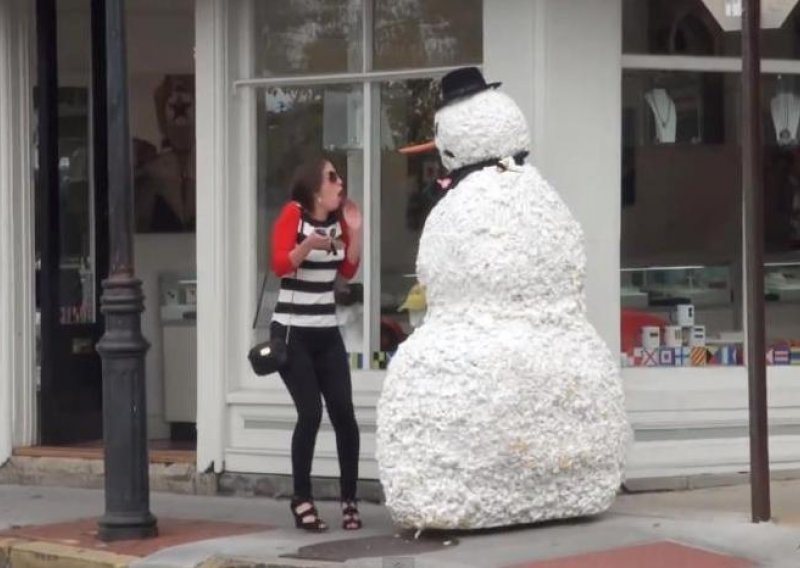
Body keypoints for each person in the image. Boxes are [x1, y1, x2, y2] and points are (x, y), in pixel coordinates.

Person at [270, 155, 363, 532]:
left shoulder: (338, 222)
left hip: (326, 331)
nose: (339, 183)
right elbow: (279, 264)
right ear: (314, 190)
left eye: (339, 177)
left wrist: (354, 231)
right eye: (332, 178)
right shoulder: (293, 214)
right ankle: (302, 498)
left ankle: (349, 499)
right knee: (310, 413)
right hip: (292, 333)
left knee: (344, 414)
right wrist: (307, 244)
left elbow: (348, 270)